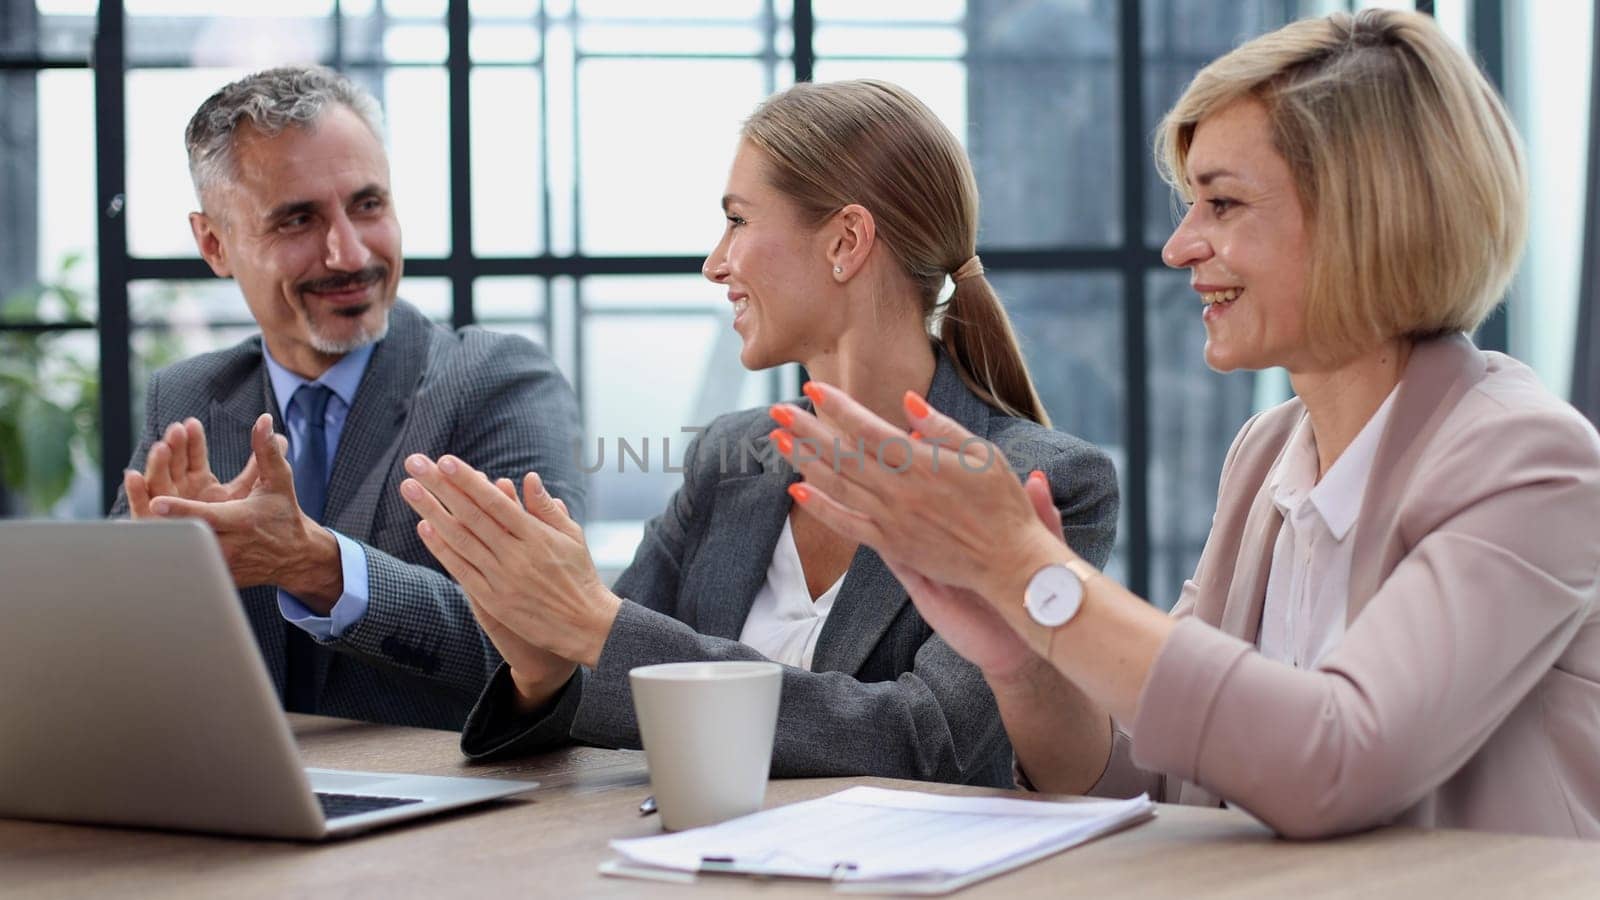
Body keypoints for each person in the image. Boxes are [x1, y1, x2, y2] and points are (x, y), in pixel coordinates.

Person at [767, 9, 1600, 838]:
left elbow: (1338, 763)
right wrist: (1020, 656)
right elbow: (1157, 779)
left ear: (1365, 215)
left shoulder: (1529, 462)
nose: (1178, 247)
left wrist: (1030, 568)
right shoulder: (1267, 453)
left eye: (1222, 204)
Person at [398, 79, 1119, 785]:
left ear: (845, 242)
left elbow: (932, 745)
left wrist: (591, 624)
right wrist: (543, 666)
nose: (717, 264)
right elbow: (616, 682)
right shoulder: (729, 458)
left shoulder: (1042, 484)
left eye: (738, 220)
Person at [112, 66, 583, 731]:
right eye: (298, 220)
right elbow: (101, 638)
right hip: (233, 797)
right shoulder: (187, 396)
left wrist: (322, 568)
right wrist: (153, 577)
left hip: (448, 807)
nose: (349, 253)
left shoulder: (495, 381)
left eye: (368, 205)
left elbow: (557, 647)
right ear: (214, 244)